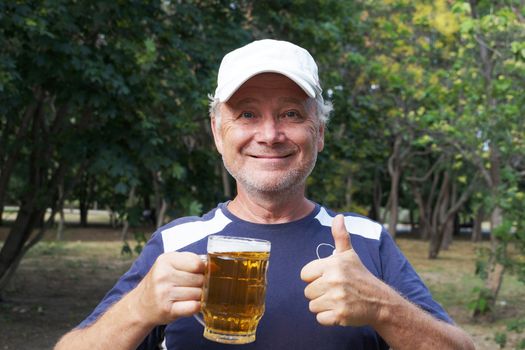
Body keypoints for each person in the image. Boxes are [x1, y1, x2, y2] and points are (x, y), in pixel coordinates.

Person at [55, 39, 475, 350]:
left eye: (291, 113)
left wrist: (385, 308)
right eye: (247, 114)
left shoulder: (366, 242)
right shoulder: (174, 245)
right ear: (218, 133)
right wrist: (139, 308)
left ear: (320, 133)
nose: (270, 135)